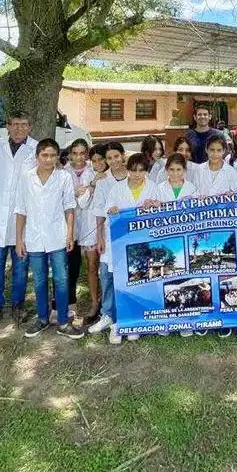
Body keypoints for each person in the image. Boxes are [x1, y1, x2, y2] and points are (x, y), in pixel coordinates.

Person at [15, 138, 81, 339]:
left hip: (58, 236)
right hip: (34, 237)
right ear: (37, 157)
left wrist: (69, 234)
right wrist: (19, 239)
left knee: (61, 279)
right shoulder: (26, 177)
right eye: (44, 155)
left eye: (53, 155)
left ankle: (63, 321)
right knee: (39, 280)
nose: (48, 159)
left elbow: (69, 207)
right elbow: (21, 209)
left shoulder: (63, 177)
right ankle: (42, 318)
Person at [0, 112, 39, 327]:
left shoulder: (36, 149)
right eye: (14, 125)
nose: (19, 129)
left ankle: (18, 305)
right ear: (7, 126)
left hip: (22, 218)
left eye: (23, 125)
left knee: (20, 266)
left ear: (30, 126)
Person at [103, 153, 161, 344]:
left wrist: (154, 206)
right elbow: (109, 207)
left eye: (141, 170)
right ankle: (120, 323)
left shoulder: (153, 187)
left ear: (146, 170)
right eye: (134, 170)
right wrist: (111, 209)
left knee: (141, 281)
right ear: (128, 169)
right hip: (121, 244)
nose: (137, 174)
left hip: (144, 243)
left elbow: (161, 212)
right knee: (121, 283)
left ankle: (136, 321)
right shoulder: (117, 188)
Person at [87, 141, 129, 342]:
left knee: (128, 275)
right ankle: (107, 314)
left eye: (116, 157)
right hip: (109, 236)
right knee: (106, 275)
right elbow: (98, 212)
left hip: (130, 236)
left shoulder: (134, 177)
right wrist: (99, 237)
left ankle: (125, 316)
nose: (113, 161)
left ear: (123, 156)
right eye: (109, 158)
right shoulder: (103, 181)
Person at [62, 138, 94, 323]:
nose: (79, 157)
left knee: (92, 267)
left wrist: (90, 186)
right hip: (70, 227)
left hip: (89, 225)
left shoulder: (95, 171)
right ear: (70, 154)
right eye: (75, 153)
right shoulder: (63, 172)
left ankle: (94, 303)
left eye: (83, 153)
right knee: (71, 267)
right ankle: (71, 303)